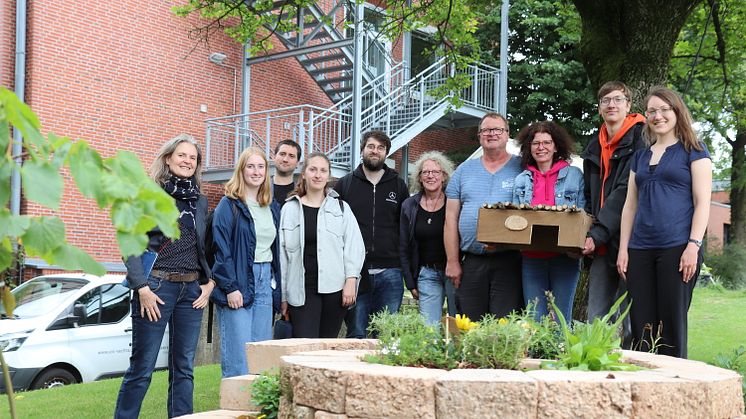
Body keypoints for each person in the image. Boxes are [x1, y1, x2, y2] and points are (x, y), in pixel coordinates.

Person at [115, 134, 215, 419]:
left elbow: (206, 245)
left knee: (184, 368)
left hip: (190, 292)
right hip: (156, 287)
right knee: (142, 368)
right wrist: (142, 288)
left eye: (192, 158)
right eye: (182, 155)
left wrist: (209, 283)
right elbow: (130, 244)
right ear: (168, 158)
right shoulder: (148, 195)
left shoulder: (200, 201)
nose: (187, 161)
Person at [617, 86, 711, 358]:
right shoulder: (641, 156)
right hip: (640, 250)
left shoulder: (694, 150)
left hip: (678, 248)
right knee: (641, 326)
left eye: (664, 109)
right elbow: (629, 206)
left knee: (670, 326)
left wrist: (693, 245)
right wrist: (624, 249)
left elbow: (703, 202)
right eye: (652, 111)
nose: (658, 116)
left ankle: (675, 389)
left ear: (676, 112)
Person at [444, 112, 524, 321]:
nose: (492, 134)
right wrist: (452, 261)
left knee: (505, 326)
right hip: (472, 261)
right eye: (486, 130)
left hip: (510, 260)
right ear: (479, 136)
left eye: (497, 129)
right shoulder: (463, 170)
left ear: (507, 135)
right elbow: (451, 219)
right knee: (469, 325)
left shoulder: (522, 168)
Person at [211, 147, 281, 377]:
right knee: (238, 357)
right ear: (241, 170)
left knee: (261, 353)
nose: (256, 171)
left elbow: (275, 250)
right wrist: (230, 287)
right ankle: (234, 409)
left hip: (264, 283)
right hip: (238, 281)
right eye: (250, 166)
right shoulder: (228, 205)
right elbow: (221, 250)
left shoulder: (271, 206)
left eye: (261, 166)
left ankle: (256, 411)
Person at [581, 81, 646, 329]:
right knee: (595, 319)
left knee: (629, 319)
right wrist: (586, 233)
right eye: (606, 100)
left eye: (618, 99)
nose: (611, 105)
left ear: (628, 105)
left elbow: (625, 193)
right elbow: (588, 194)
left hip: (630, 240)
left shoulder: (641, 139)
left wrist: (596, 234)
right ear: (599, 108)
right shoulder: (594, 146)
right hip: (601, 243)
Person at [279, 153, 366, 337]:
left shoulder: (341, 208)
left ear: (328, 175)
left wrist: (351, 280)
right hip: (301, 291)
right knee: (304, 346)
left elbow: (354, 247)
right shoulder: (289, 209)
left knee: (327, 347)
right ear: (303, 174)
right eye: (313, 169)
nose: (318, 175)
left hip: (334, 289)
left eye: (323, 170)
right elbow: (283, 257)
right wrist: (284, 297)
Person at [334, 130, 409, 338]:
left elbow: (404, 227)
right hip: (356, 272)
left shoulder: (398, 185)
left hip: (391, 272)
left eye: (380, 148)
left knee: (385, 334)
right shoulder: (346, 184)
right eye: (371, 147)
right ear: (362, 149)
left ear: (386, 153)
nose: (375, 151)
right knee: (356, 332)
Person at [512, 121, 585, 322]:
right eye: (536, 143)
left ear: (556, 146)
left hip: (565, 257)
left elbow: (582, 215)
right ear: (529, 147)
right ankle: (536, 355)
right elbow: (514, 220)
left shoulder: (573, 175)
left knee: (562, 319)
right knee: (535, 320)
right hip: (532, 257)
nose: (541, 147)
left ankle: (564, 354)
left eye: (547, 142)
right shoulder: (521, 180)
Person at [399, 151, 457, 325]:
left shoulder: (454, 202)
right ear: (419, 177)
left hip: (454, 273)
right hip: (427, 274)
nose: (430, 176)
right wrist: (410, 282)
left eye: (435, 172)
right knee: (429, 329)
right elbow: (403, 247)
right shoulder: (409, 205)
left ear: (444, 176)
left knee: (457, 325)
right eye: (426, 172)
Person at [272, 139, 302, 205]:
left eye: (291, 156)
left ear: (298, 163)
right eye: (282, 154)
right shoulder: (260, 189)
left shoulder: (302, 194)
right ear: (274, 157)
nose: (285, 159)